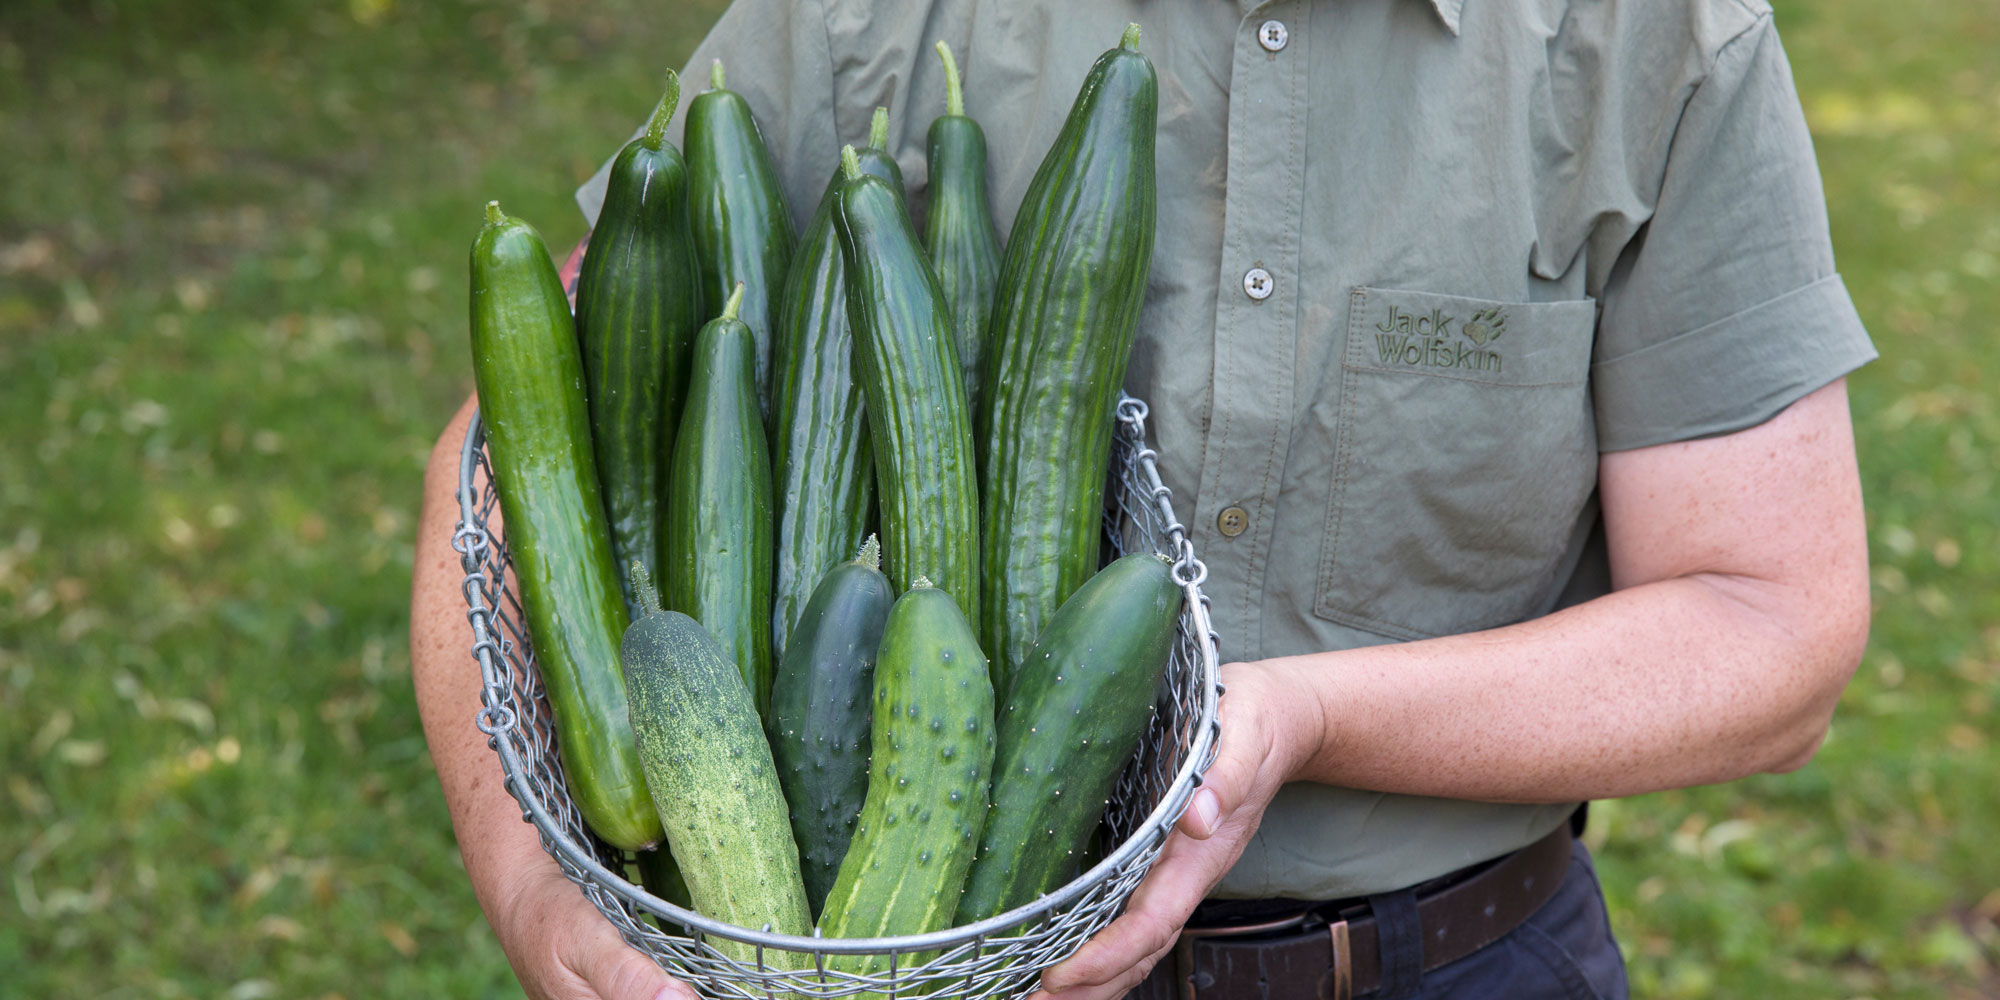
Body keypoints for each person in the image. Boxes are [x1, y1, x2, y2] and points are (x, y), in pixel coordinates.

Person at [410, 1, 1876, 997]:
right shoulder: (862, 21)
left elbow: (1772, 632)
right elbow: (511, 459)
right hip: (884, 964)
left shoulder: (1654, 43)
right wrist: (535, 898)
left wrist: (1306, 716)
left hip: (1446, 963)